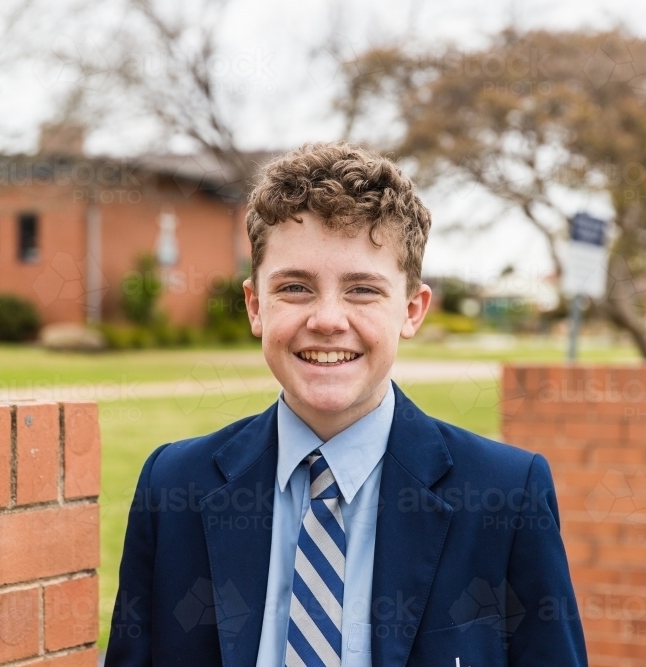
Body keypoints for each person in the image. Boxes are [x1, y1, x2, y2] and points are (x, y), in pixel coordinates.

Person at [105, 142, 588, 667]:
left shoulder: (504, 498)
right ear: (254, 305)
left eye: (361, 290)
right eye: (295, 287)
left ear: (411, 309)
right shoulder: (175, 487)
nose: (328, 319)